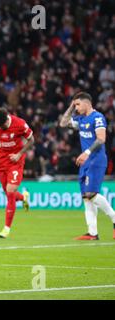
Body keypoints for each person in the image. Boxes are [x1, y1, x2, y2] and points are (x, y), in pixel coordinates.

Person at [60, 92, 115, 240]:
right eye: (75, 105)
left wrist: (87, 152)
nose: (76, 108)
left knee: (91, 194)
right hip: (85, 162)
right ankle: (92, 233)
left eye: (78, 104)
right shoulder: (80, 118)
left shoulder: (97, 118)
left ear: (87, 103)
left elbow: (101, 139)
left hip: (96, 160)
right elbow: (63, 123)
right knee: (86, 197)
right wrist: (71, 106)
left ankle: (114, 218)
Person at [0, 108, 33, 238]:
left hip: (15, 161)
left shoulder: (20, 124)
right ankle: (23, 197)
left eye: (3, 126)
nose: (1, 128)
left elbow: (31, 140)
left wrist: (19, 154)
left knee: (10, 192)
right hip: (1, 161)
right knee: (7, 191)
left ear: (7, 118)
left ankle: (6, 228)